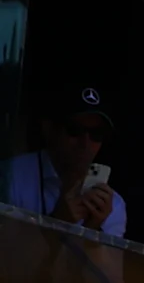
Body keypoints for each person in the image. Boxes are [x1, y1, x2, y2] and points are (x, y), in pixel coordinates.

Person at [4, 85, 122, 236]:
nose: (85, 143)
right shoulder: (10, 178)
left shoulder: (112, 205)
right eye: (75, 130)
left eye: (97, 133)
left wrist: (93, 231)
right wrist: (57, 221)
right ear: (48, 128)